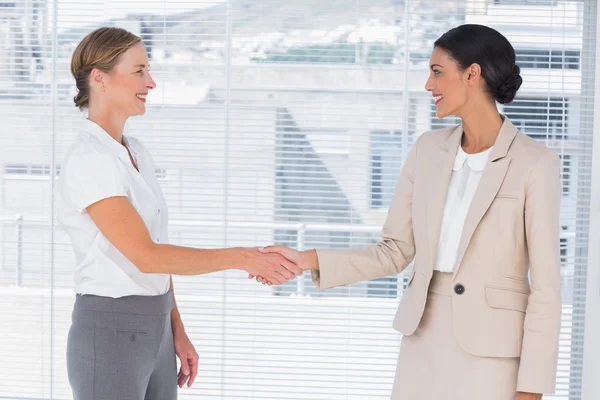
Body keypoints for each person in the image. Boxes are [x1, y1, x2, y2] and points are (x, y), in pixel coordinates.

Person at [258, 24, 561, 400]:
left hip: (494, 357)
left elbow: (546, 288)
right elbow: (394, 251)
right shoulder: (427, 150)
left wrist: (531, 389)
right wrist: (305, 259)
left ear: (472, 73)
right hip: (423, 339)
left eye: (437, 72)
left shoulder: (535, 164)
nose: (428, 85)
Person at [57, 27, 300, 400]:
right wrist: (243, 258)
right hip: (110, 329)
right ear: (100, 78)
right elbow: (146, 256)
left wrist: (176, 330)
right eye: (139, 71)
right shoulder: (91, 159)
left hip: (155, 328)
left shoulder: (134, 151)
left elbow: (157, 251)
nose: (151, 82)